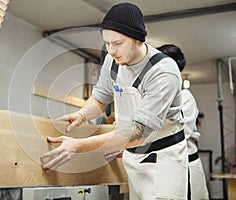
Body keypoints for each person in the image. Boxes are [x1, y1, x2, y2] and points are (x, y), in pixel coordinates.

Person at [41, 3, 188, 199]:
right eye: (107, 43)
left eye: (117, 43)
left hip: (163, 159)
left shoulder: (163, 72)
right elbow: (101, 97)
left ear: (137, 40)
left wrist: (78, 146)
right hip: (132, 156)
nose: (111, 50)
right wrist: (82, 114)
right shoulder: (113, 61)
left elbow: (139, 132)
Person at [158, 44, 209, 200]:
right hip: (164, 165)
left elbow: (179, 134)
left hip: (184, 163)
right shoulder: (156, 95)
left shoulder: (185, 97)